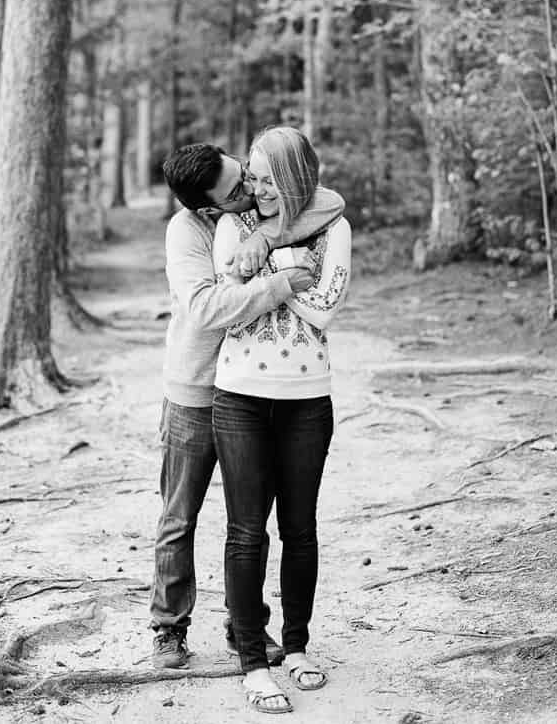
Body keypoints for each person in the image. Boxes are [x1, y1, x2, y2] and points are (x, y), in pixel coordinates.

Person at [152, 143, 344, 673]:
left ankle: (246, 628)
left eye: (245, 175)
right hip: (196, 389)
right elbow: (204, 308)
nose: (249, 190)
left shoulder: (262, 211)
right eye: (235, 190)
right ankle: (169, 626)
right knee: (180, 515)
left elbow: (330, 200)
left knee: (249, 519)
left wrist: (264, 235)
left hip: (249, 391)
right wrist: (279, 284)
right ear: (206, 206)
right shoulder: (187, 232)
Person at [212, 126, 351, 714]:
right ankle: (252, 662)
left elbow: (326, 309)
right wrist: (292, 276)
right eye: (254, 177)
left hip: (307, 400)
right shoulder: (233, 227)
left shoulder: (333, 226)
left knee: (300, 529)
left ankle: (296, 647)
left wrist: (272, 277)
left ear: (295, 178)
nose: (259, 189)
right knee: (247, 532)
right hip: (240, 398)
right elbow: (230, 311)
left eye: (271, 179)